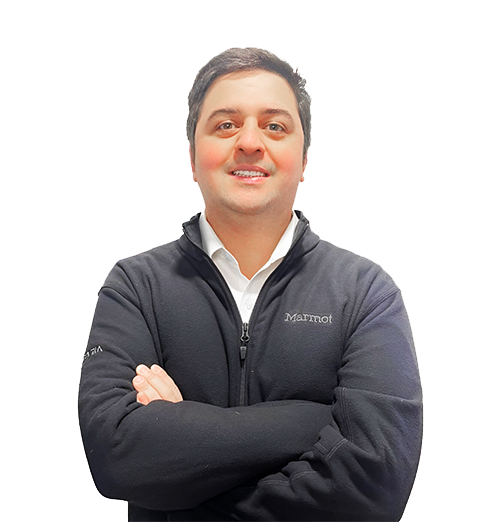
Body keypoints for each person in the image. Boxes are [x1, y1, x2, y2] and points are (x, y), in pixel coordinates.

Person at [78, 47, 422, 522]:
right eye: (226, 124)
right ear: (192, 157)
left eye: (275, 126)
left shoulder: (366, 292)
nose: (250, 142)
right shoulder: (134, 286)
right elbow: (116, 458)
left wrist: (183, 446)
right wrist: (313, 421)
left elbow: (376, 485)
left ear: (304, 160)